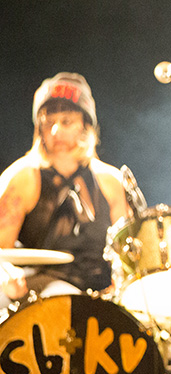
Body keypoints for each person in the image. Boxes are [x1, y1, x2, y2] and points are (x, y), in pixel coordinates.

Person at [0, 72, 130, 304]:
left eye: (66, 121)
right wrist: (7, 278)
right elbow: (1, 253)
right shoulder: (23, 178)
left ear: (85, 125)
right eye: (48, 122)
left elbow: (129, 250)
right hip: (41, 294)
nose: (55, 131)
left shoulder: (111, 180)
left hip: (106, 297)